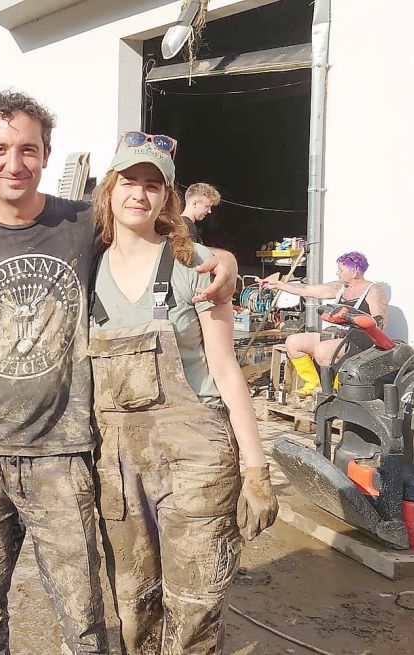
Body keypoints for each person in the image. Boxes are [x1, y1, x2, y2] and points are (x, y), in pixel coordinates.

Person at [0, 90, 239, 654]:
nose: (15, 163)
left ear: (47, 154)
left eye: (28, 149)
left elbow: (164, 238)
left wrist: (221, 261)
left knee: (82, 615)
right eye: (0, 149)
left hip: (64, 451)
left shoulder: (80, 223)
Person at [90, 135, 277, 653]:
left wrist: (256, 469)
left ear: (167, 198)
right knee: (132, 602)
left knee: (193, 605)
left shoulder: (194, 263)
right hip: (118, 459)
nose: (139, 194)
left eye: (154, 185)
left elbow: (225, 367)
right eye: (129, 182)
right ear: (109, 190)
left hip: (196, 454)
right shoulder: (86, 268)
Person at [259, 251, 388, 396]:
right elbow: (308, 290)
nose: (337, 273)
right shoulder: (340, 287)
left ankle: (336, 390)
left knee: (322, 350)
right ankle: (313, 384)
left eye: (341, 270)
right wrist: (278, 285)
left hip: (359, 340)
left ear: (354, 272)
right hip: (336, 334)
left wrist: (355, 321)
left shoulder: (373, 290)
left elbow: (379, 322)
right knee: (293, 342)